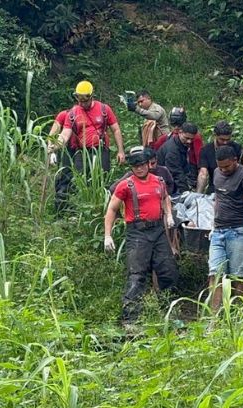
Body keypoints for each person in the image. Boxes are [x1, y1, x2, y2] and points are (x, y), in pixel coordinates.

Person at [104, 148, 177, 323]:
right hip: (137, 232)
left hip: (158, 230)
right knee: (137, 275)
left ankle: (168, 313)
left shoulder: (159, 181)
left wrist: (169, 215)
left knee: (168, 271)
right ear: (132, 168)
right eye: (135, 166)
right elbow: (112, 209)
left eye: (142, 165)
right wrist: (108, 235)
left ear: (148, 164)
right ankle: (130, 319)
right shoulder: (125, 185)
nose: (139, 169)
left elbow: (165, 198)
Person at [50, 80, 126, 209]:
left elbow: (116, 129)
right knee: (80, 180)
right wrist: (54, 147)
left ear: (91, 97)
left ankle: (103, 207)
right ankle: (82, 209)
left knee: (102, 180)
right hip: (82, 152)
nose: (82, 104)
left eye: (85, 101)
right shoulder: (73, 113)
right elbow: (65, 134)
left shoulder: (104, 109)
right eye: (80, 101)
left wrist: (120, 151)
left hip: (101, 150)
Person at [208, 145, 243, 312]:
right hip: (218, 230)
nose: (224, 170)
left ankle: (239, 315)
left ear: (235, 161)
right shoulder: (216, 173)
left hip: (239, 230)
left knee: (239, 275)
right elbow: (218, 199)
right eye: (220, 166)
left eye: (227, 166)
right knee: (215, 273)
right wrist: (213, 224)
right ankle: (214, 317)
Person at [197, 120, 242, 194]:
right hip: (215, 189)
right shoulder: (206, 150)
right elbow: (203, 173)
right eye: (222, 139)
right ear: (215, 135)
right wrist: (198, 195)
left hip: (234, 188)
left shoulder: (236, 148)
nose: (225, 142)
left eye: (228, 139)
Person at [157, 122, 198, 193]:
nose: (189, 141)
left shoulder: (182, 145)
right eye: (187, 138)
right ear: (180, 132)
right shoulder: (173, 150)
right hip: (164, 184)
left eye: (192, 139)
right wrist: (186, 193)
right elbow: (176, 173)